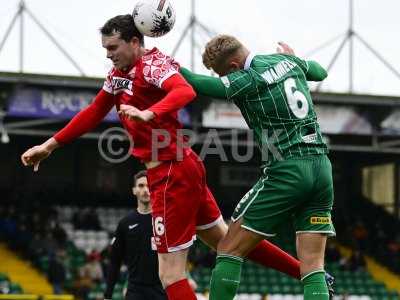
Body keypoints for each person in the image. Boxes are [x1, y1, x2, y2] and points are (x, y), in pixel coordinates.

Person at [21, 14, 318, 299]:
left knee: (170, 274)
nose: (109, 55)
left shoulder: (153, 65)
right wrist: (50, 145)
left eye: (114, 47)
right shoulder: (118, 76)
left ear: (135, 42)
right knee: (226, 241)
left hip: (169, 173)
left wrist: (149, 112)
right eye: (105, 49)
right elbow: (94, 111)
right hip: (182, 166)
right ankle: (311, 275)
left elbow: (184, 91)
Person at [180, 36, 335, 300]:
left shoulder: (247, 78)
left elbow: (194, 83)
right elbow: (321, 71)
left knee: (228, 248)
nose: (222, 79)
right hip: (322, 169)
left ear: (233, 66)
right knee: (312, 266)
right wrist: (295, 58)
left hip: (288, 169)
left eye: (222, 74)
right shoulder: (286, 61)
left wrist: (161, 61)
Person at [104, 170, 166, 300]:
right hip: (135, 291)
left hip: (162, 290)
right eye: (141, 186)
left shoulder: (164, 221)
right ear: (134, 190)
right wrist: (107, 295)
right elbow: (115, 261)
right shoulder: (125, 223)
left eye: (149, 186)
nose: (145, 190)